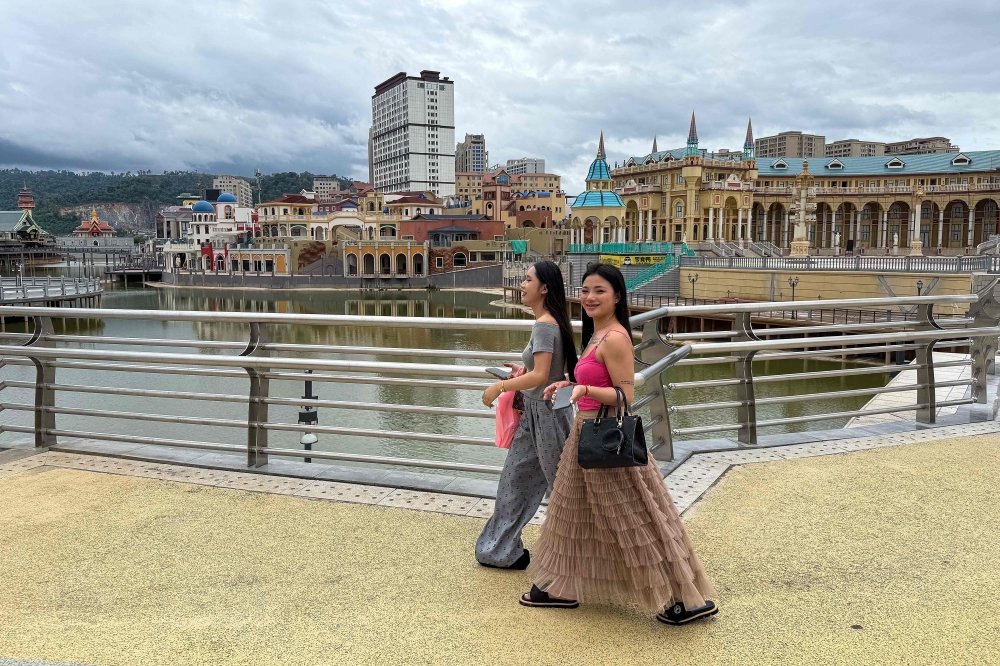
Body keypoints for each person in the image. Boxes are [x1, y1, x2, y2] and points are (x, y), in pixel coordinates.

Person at [520, 263, 718, 626]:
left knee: (631, 517)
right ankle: (563, 587)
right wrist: (569, 386)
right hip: (585, 433)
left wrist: (584, 390)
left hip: (607, 438)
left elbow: (624, 394)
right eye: (585, 290)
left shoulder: (615, 337)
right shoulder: (595, 335)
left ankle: (681, 597)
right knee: (573, 512)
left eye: (599, 291)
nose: (589, 297)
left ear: (617, 297)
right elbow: (592, 381)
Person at [476, 260, 578, 569]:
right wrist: (524, 370)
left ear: (544, 288)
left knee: (562, 488)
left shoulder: (545, 324)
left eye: (528, 280)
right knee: (515, 480)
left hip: (548, 415)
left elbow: (542, 376)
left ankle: (579, 557)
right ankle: (500, 550)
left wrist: (500, 388)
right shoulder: (548, 323)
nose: (522, 284)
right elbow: (542, 372)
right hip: (535, 414)